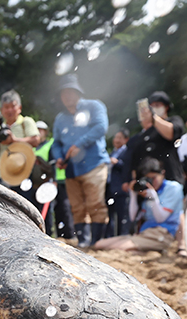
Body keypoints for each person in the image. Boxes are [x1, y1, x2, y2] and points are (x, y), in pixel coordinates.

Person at [50, 76, 109, 244]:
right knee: (76, 206)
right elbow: (56, 143)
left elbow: (101, 127)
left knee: (95, 204)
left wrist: (79, 144)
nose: (67, 96)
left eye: (70, 92)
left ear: (78, 92)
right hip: (71, 169)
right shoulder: (60, 119)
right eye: (64, 93)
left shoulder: (94, 106)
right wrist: (59, 157)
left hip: (94, 164)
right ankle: (83, 240)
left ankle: (97, 241)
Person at [93, 158, 182, 253]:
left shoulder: (173, 188)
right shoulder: (145, 189)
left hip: (162, 233)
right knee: (99, 245)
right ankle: (146, 250)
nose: (151, 182)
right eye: (147, 178)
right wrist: (133, 195)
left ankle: (151, 250)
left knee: (118, 248)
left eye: (153, 178)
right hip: (143, 233)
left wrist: (153, 198)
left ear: (162, 173)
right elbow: (132, 217)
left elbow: (160, 218)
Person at [124, 91, 184, 185]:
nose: (154, 108)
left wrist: (153, 118)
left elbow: (171, 133)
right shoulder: (144, 134)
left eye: (157, 105)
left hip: (169, 179)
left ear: (166, 107)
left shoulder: (174, 120)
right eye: (151, 106)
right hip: (147, 184)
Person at [34, 120, 75, 242]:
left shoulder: (51, 144)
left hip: (57, 181)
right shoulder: (33, 147)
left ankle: (67, 236)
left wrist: (54, 181)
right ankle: (47, 234)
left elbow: (53, 163)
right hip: (40, 184)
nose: (38, 133)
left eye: (40, 130)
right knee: (44, 209)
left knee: (63, 208)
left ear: (45, 132)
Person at [0, 90, 40, 171]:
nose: (10, 110)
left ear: (19, 108)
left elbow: (36, 140)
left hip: (25, 170)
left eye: (13, 106)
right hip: (6, 174)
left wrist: (14, 140)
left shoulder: (26, 122)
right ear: (1, 110)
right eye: (6, 107)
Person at [107, 129, 131, 237]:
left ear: (126, 139)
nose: (116, 140)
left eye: (120, 138)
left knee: (122, 214)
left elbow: (128, 167)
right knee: (110, 214)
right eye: (115, 137)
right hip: (109, 187)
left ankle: (122, 235)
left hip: (121, 188)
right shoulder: (112, 152)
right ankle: (111, 236)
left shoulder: (127, 152)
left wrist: (117, 163)